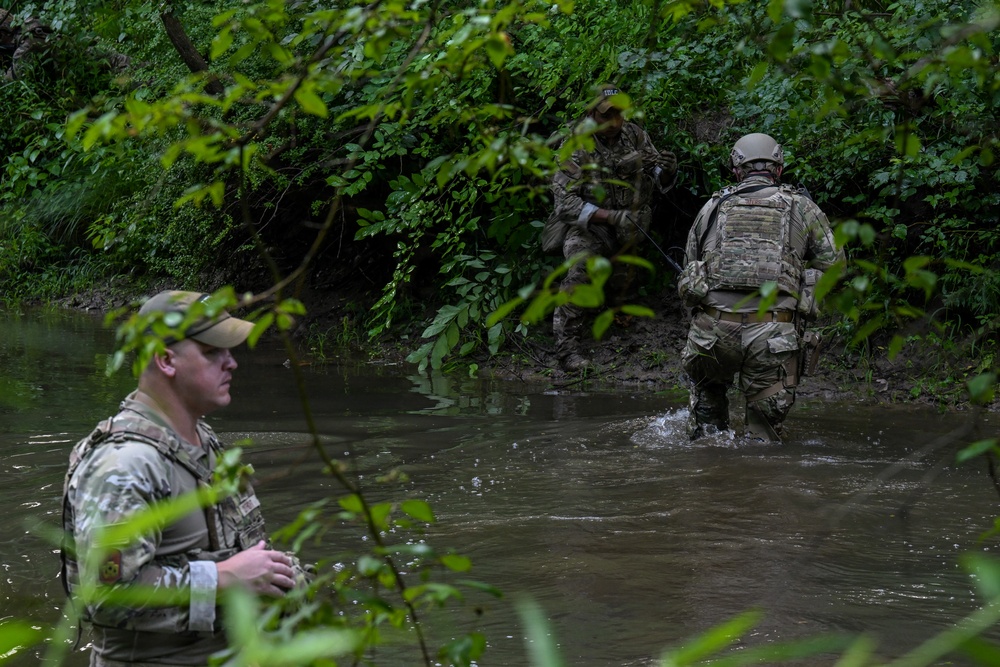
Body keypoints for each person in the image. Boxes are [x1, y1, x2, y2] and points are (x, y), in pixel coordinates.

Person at [61, 290, 298, 665]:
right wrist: (223, 579)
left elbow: (243, 554)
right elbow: (107, 598)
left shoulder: (203, 442)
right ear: (166, 359)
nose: (231, 363)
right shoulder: (124, 465)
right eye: (211, 352)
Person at [677, 133, 843, 441]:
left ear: (737, 170)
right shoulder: (802, 207)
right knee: (763, 440)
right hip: (773, 335)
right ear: (778, 168)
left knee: (706, 435)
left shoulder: (711, 207)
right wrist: (805, 288)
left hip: (712, 334)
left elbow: (691, 264)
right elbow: (834, 266)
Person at [543, 83, 678, 371]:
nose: (615, 122)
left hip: (631, 230)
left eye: (619, 114)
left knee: (623, 288)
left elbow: (655, 176)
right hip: (590, 228)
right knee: (581, 270)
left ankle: (617, 310)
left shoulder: (635, 134)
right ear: (591, 113)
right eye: (607, 116)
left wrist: (667, 171)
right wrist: (608, 216)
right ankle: (567, 350)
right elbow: (565, 204)